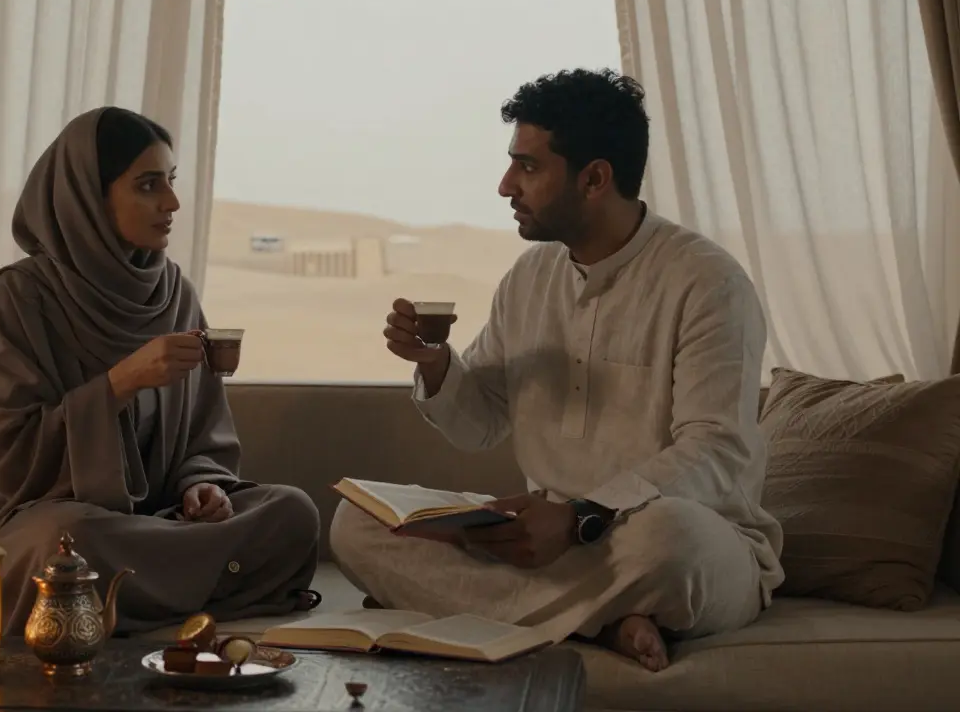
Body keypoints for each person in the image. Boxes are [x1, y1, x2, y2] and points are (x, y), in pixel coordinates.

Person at [330, 69, 784, 672]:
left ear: (594, 178)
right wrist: (436, 365)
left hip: (671, 541)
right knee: (356, 521)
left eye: (528, 167)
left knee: (673, 539)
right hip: (543, 539)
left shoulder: (707, 282)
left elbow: (716, 450)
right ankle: (600, 622)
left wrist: (582, 516)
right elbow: (480, 424)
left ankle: (531, 613)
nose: (504, 185)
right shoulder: (530, 277)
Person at [0, 106, 321, 636]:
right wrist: (120, 382)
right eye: (148, 186)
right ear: (88, 198)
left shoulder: (175, 294)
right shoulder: (21, 296)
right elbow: (2, 453)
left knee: (292, 511)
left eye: (170, 183)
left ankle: (128, 597)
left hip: (159, 520)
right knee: (65, 539)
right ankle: (189, 590)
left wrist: (204, 486)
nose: (171, 203)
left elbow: (203, 434)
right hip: (44, 516)